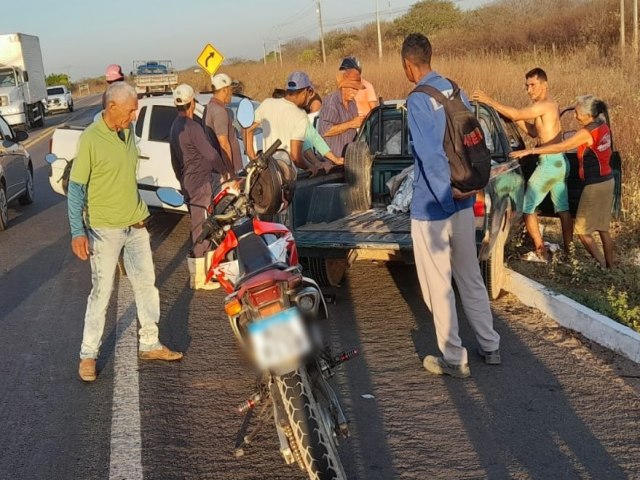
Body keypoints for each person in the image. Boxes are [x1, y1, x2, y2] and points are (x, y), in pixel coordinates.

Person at [401, 33, 501, 379]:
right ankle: (490, 345)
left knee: (438, 285)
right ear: (430, 56)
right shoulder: (452, 88)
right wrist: (464, 192)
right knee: (470, 276)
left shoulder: (417, 99)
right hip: (463, 198)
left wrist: (444, 197)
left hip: (434, 207)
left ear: (408, 65)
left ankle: (454, 358)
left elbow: (430, 156)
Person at [68, 82, 183, 382]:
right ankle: (88, 355)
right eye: (132, 109)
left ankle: (149, 342)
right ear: (112, 106)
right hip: (105, 230)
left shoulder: (127, 132)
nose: (135, 116)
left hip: (135, 225)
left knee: (147, 285)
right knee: (101, 293)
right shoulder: (91, 139)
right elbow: (76, 188)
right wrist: (77, 231)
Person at [472, 68, 573, 262]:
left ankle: (540, 249)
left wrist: (489, 100)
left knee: (527, 208)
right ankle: (569, 252)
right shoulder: (550, 105)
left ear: (545, 85)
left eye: (533, 85)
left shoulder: (544, 105)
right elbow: (534, 132)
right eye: (527, 86)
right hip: (559, 161)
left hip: (549, 163)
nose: (529, 90)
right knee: (563, 208)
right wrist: (515, 120)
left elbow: (518, 113)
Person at [511, 95, 615, 268]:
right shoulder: (603, 126)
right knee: (603, 229)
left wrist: (531, 151)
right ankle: (610, 266)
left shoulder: (586, 133)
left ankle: (602, 265)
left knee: (583, 231)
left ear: (588, 114)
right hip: (607, 180)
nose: (574, 116)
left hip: (594, 185)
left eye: (577, 113)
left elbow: (561, 147)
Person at [169, 84, 235, 290]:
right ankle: (199, 278)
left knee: (202, 225)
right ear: (192, 104)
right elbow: (211, 154)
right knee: (201, 229)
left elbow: (174, 160)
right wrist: (227, 171)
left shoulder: (174, 127)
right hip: (200, 184)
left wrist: (181, 181)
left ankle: (206, 271)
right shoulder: (192, 127)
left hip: (189, 182)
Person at [245, 72, 328, 173]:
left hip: (269, 171)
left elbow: (248, 129)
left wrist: (252, 156)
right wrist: (310, 167)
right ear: (304, 91)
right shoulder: (300, 115)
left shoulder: (267, 103)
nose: (309, 97)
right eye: (310, 92)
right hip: (287, 176)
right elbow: (295, 157)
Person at [317, 69, 365, 158]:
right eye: (353, 88)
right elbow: (324, 131)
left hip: (349, 158)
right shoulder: (332, 102)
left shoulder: (352, 102)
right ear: (343, 87)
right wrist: (351, 124)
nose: (355, 92)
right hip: (332, 161)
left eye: (357, 89)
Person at [204, 73, 243, 172]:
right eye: (230, 90)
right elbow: (224, 144)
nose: (231, 93)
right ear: (225, 90)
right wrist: (230, 173)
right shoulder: (219, 112)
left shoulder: (209, 107)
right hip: (227, 169)